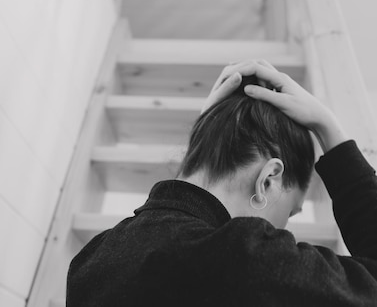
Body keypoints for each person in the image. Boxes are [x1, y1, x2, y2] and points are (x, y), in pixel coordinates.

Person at [66, 60, 377, 306]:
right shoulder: (250, 258)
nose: (285, 232)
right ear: (268, 180)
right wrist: (330, 129)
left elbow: (170, 221)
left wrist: (203, 142)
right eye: (290, 213)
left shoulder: (92, 261)